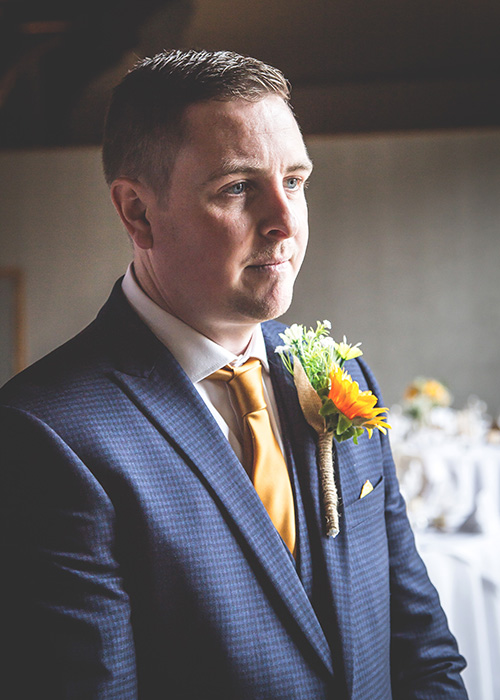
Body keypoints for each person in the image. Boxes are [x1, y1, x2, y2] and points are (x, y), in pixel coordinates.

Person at [0, 49, 468, 699]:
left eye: (296, 181)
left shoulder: (336, 371)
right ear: (137, 212)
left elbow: (421, 647)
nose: (285, 223)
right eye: (239, 187)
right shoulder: (45, 436)